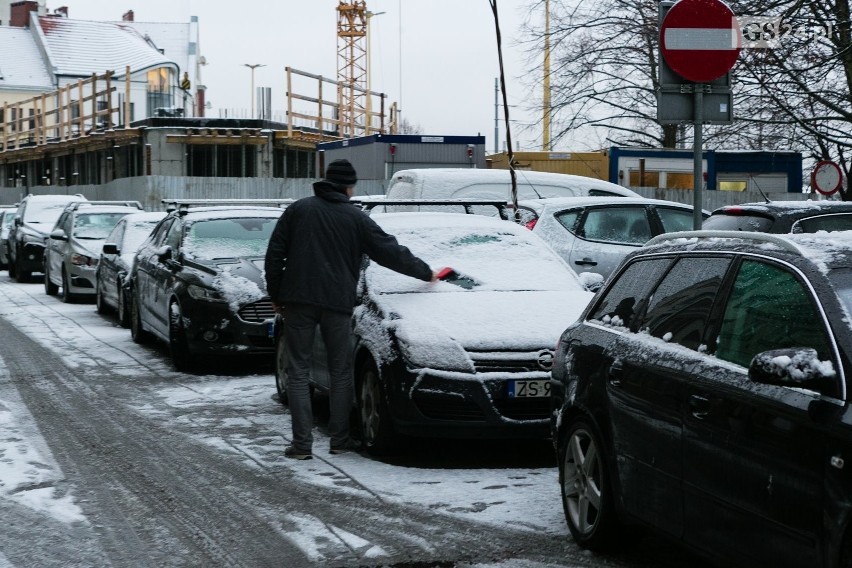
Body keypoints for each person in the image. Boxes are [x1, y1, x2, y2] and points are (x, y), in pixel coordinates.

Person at [264, 159, 438, 460]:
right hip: (337, 303)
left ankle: (302, 445)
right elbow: (389, 251)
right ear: (349, 186)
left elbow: (274, 254)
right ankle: (340, 441)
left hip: (298, 301)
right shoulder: (355, 218)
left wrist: (277, 293)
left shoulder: (298, 209)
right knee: (341, 371)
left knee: (298, 371)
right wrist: (426, 272)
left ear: (325, 181)